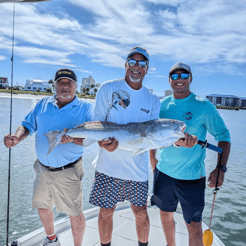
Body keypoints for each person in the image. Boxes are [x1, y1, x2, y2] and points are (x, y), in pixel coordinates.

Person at [89, 48, 195, 246]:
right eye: (132, 62)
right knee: (105, 211)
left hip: (137, 170)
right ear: (126, 65)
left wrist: (179, 141)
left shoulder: (153, 100)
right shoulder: (107, 88)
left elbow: (155, 136)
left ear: (147, 69)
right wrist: (101, 142)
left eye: (142, 64)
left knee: (140, 212)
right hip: (107, 165)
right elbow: (97, 124)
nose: (136, 67)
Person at [4, 68, 93, 246]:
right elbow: (27, 125)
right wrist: (17, 139)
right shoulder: (42, 104)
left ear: (76, 86)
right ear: (55, 85)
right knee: (43, 205)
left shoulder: (86, 108)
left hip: (69, 170)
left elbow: (92, 139)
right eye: (61, 83)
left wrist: (74, 139)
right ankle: (52, 239)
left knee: (75, 213)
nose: (65, 86)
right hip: (42, 168)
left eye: (69, 83)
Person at [150, 62, 231, 246]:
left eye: (184, 75)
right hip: (163, 173)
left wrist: (221, 168)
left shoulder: (204, 106)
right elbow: (152, 136)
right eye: (175, 76)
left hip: (192, 177)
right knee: (165, 215)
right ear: (169, 81)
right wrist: (152, 160)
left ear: (191, 79)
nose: (180, 80)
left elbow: (223, 135)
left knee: (194, 225)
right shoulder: (161, 106)